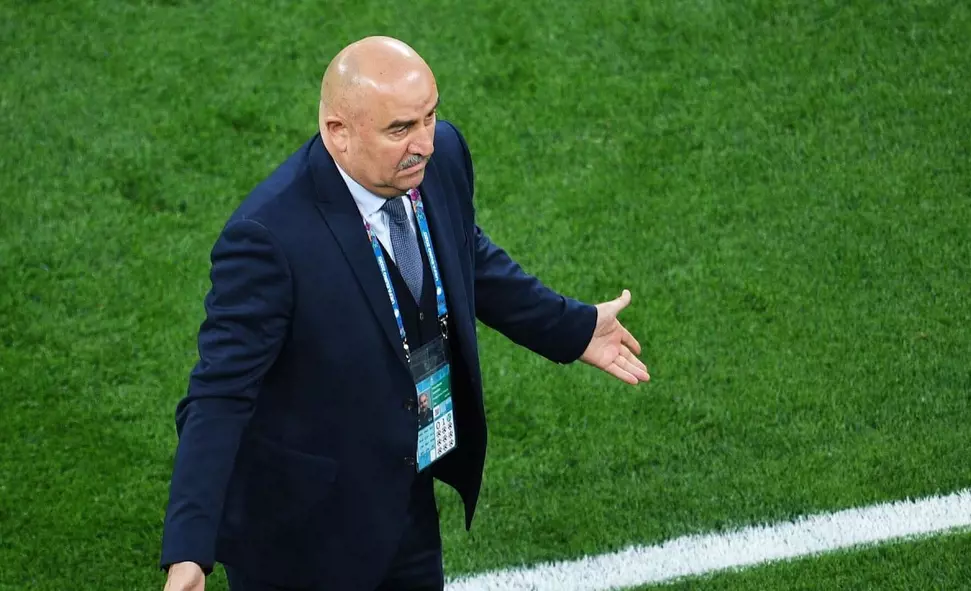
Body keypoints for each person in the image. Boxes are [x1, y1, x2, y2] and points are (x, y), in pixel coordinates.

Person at [159, 35, 649, 591]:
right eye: (400, 129)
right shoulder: (268, 238)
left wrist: (571, 327)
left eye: (429, 116)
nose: (425, 144)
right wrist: (189, 552)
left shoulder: (440, 158)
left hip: (405, 492)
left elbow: (463, 253)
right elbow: (219, 395)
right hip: (302, 533)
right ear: (338, 132)